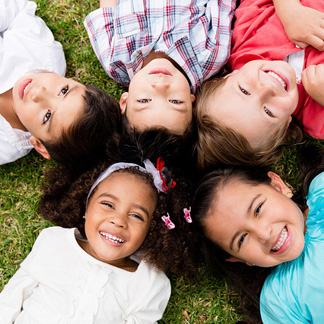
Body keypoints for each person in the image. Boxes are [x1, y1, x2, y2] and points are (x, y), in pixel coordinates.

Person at [0, 157, 196, 323]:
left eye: (137, 216)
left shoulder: (148, 283)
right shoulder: (54, 242)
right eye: (108, 204)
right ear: (85, 207)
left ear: (151, 230)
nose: (118, 220)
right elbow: (11, 299)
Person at [191, 145, 324, 323]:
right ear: (239, 259)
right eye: (242, 239)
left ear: (278, 186)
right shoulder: (279, 301)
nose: (264, 234)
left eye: (258, 209)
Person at [195, 0, 324, 169]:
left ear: (226, 77)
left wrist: (290, 12)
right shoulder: (317, 118)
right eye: (268, 112)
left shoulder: (246, 39)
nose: (267, 89)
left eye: (244, 90)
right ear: (285, 127)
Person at [1, 0, 121, 172]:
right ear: (74, 81)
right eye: (63, 91)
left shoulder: (5, 147)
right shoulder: (43, 53)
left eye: (47, 116)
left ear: (39, 145)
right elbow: (17, 12)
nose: (39, 93)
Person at [84, 0, 236, 135]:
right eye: (175, 101)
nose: (160, 85)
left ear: (125, 101)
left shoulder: (114, 61)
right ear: (192, 103)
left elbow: (107, 10)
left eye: (144, 100)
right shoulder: (211, 56)